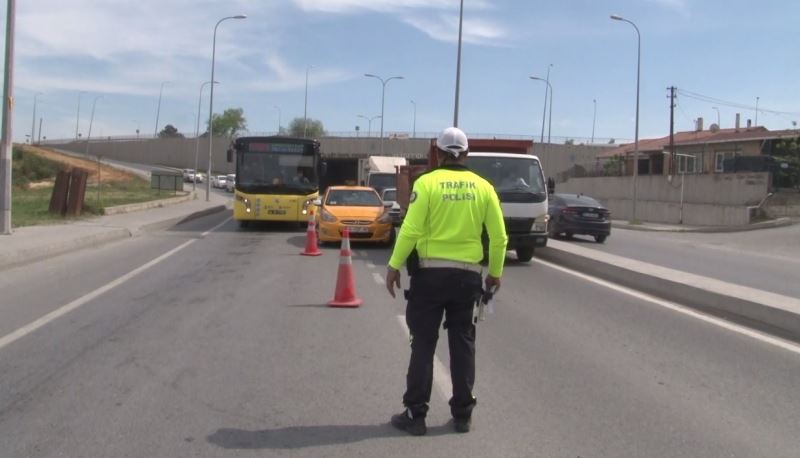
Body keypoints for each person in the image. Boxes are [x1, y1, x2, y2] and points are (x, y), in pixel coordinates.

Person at [385, 127, 507, 436]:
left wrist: (394, 265)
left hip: (429, 276)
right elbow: (499, 237)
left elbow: (410, 230)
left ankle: (415, 415)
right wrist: (495, 273)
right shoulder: (484, 187)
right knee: (463, 343)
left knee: (423, 345)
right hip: (467, 278)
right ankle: (463, 415)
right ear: (466, 154)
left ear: (438, 154)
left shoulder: (426, 183)